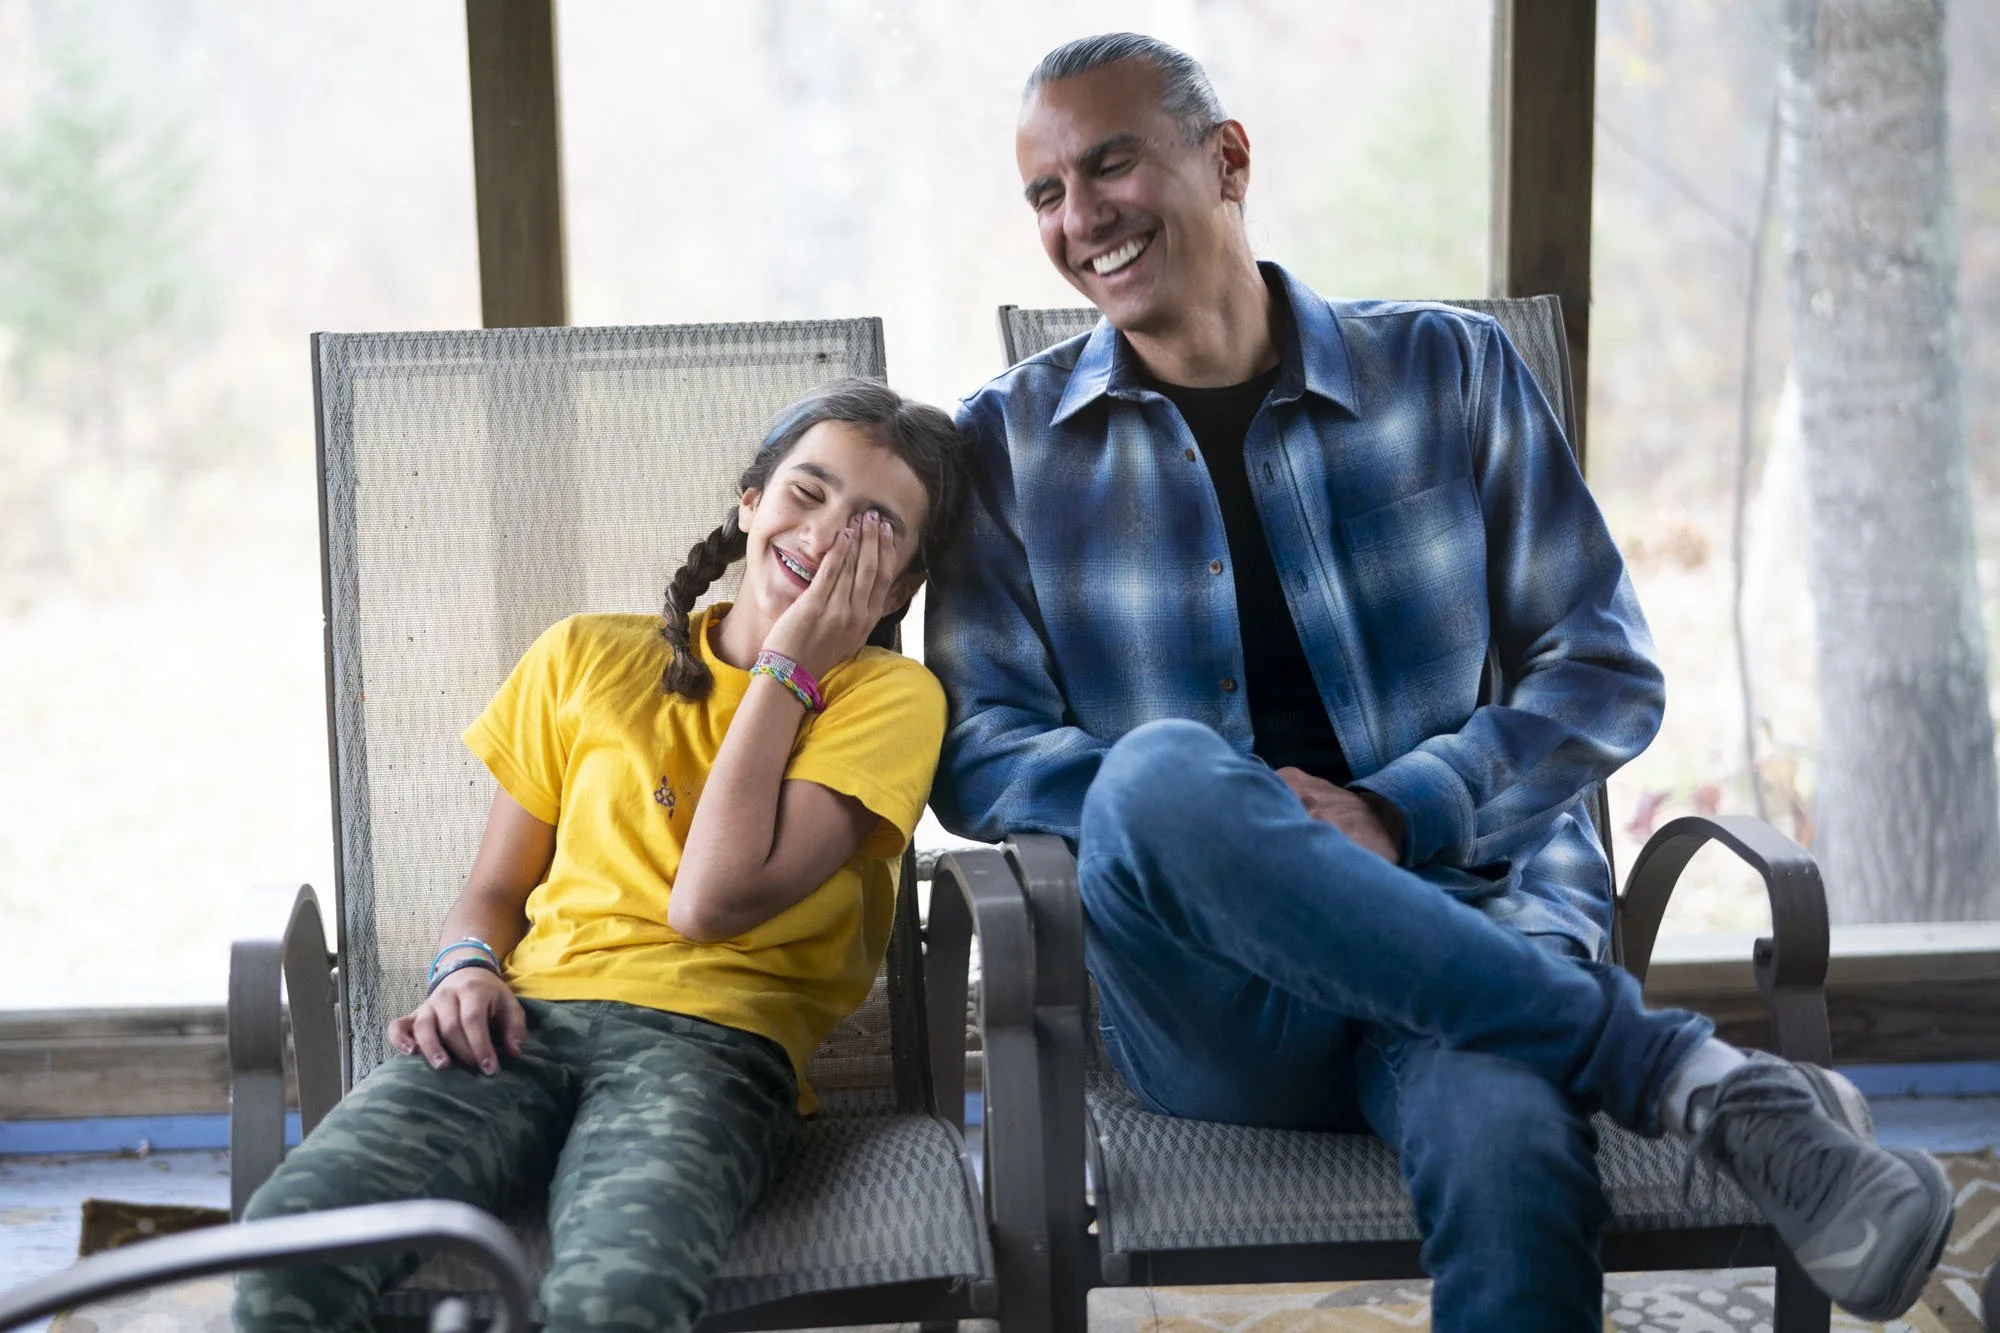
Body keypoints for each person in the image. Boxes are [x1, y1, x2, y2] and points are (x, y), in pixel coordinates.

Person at [925, 32, 1953, 1330]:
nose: (1080, 219)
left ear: (1228, 158)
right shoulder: (1007, 445)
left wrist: (1406, 808)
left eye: (1111, 165)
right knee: (1158, 774)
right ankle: (1678, 1071)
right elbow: (980, 749)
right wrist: (1245, 817)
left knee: (1515, 1159)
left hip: (1477, 926)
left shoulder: (1448, 370)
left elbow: (1601, 664)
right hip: (1216, 1001)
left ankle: (1658, 1073)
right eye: (1045, 195)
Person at [235, 379, 965, 1333]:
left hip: (714, 1056)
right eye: (806, 491)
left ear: (903, 582)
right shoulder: (583, 655)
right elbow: (493, 890)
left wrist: (791, 664)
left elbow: (709, 901)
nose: (826, 535)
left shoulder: (890, 700)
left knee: (614, 1301)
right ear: (750, 502)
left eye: (873, 526)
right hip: (518, 1026)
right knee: (291, 1240)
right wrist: (463, 968)